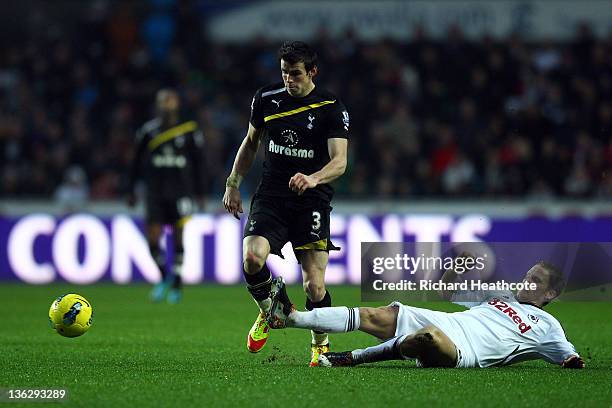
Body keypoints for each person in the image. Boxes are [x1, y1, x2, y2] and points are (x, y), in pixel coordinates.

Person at [222, 41, 349, 365]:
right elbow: (250, 144)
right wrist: (233, 183)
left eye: (295, 74)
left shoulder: (331, 107)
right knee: (252, 257)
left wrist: (313, 178)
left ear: (312, 72)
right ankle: (272, 310)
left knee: (314, 287)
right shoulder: (266, 99)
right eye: (284, 73)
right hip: (272, 196)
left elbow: (340, 162)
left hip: (311, 201)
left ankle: (319, 342)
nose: (289, 80)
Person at [267, 261, 585, 369]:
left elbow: (566, 355)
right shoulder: (499, 296)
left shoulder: (547, 325)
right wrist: (454, 268)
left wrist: (571, 360)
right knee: (376, 313)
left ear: (550, 294)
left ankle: (354, 356)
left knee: (427, 338)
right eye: (526, 276)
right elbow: (446, 293)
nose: (525, 282)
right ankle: (290, 317)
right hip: (446, 322)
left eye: (534, 281)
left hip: (464, 351)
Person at [128, 88, 205, 304]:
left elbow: (199, 163)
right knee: (152, 239)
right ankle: (164, 277)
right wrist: (131, 189)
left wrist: (200, 193)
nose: (166, 105)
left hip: (181, 191)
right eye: (163, 101)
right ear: (157, 105)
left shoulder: (189, 130)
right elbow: (135, 162)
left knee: (178, 237)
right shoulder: (147, 131)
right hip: (154, 192)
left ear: (177, 104)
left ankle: (177, 284)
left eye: (170, 100)